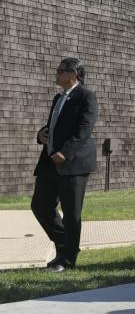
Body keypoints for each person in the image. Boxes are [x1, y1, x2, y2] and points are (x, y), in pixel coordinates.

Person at [31, 57, 98, 272]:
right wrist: (41, 134)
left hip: (73, 164)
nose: (56, 73)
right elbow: (54, 125)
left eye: (60, 71)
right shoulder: (58, 98)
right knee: (40, 205)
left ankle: (67, 260)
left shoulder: (86, 97)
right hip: (50, 163)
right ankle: (65, 247)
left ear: (73, 74)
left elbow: (84, 129)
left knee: (71, 214)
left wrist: (65, 152)